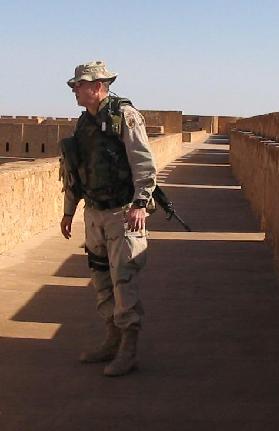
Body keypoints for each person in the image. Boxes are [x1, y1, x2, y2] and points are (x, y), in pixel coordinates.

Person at [59, 60, 157, 377]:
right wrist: (69, 210)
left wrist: (141, 203)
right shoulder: (83, 123)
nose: (75, 90)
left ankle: (128, 348)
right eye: (74, 85)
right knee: (101, 279)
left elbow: (144, 164)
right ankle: (111, 339)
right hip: (94, 212)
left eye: (81, 85)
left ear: (98, 87)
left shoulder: (125, 117)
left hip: (122, 212)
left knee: (122, 279)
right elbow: (75, 171)